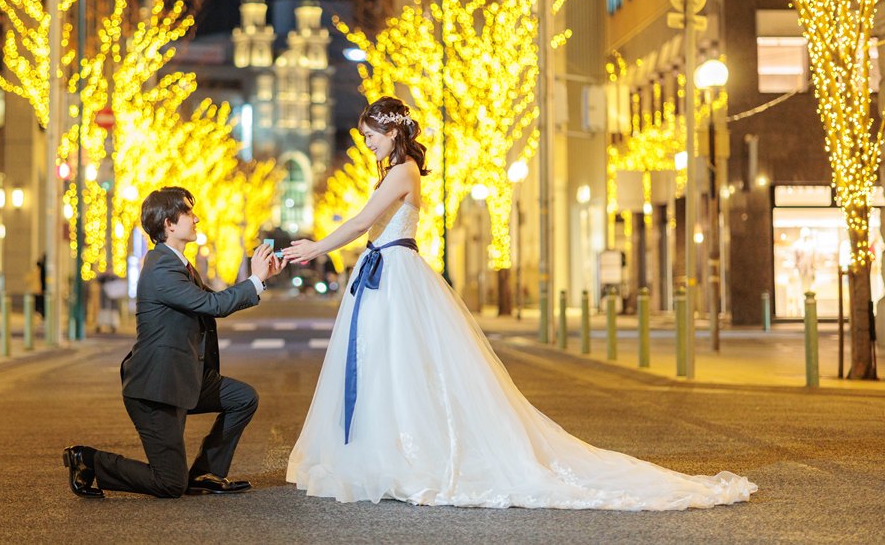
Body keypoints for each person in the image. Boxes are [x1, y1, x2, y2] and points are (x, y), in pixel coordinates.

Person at [281, 97, 757, 510]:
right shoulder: (397, 171)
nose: (367, 145)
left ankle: (403, 454)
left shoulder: (402, 172)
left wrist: (314, 247)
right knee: (391, 365)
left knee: (400, 365)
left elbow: (364, 222)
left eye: (370, 136)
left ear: (390, 131)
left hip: (395, 276)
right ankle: (389, 449)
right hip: (386, 276)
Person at [63, 186, 285, 499]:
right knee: (169, 484)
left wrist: (263, 279)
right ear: (169, 223)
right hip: (156, 389)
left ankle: (207, 472)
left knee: (243, 398)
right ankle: (89, 461)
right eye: (188, 213)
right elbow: (214, 306)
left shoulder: (179, 264)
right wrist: (256, 280)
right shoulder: (162, 268)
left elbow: (212, 300)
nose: (196, 219)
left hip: (184, 378)